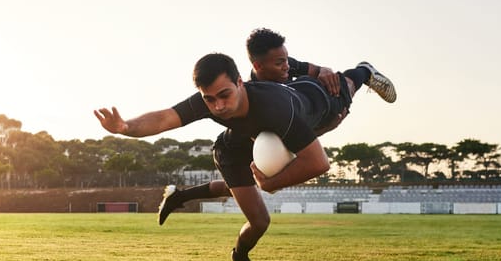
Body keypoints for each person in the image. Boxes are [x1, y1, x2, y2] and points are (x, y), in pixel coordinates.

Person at [94, 52, 396, 261]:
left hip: (266, 142)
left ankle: (185, 201)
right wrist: (124, 127)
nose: (218, 106)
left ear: (240, 82)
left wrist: (272, 182)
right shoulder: (208, 99)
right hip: (231, 150)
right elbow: (164, 118)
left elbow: (319, 163)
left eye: (225, 94)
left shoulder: (275, 107)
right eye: (209, 99)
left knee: (251, 184)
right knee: (260, 219)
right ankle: (240, 255)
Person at [156, 28, 393, 226]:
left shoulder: (284, 68)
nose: (286, 67)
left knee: (340, 86)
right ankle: (363, 71)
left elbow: (306, 73)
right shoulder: (255, 94)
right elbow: (289, 138)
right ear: (258, 67)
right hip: (247, 139)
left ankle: (363, 72)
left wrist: (323, 70)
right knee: (246, 186)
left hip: (291, 111)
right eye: (280, 63)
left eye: (286, 61)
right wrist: (326, 129)